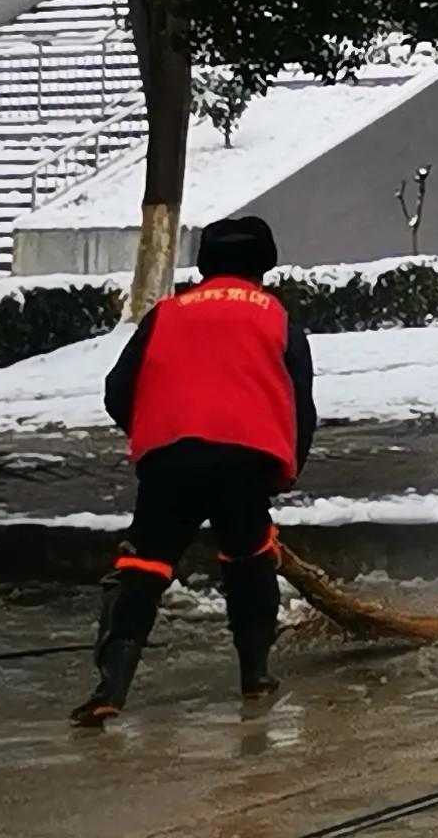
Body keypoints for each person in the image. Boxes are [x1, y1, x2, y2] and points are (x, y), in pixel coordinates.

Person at [79, 211, 316, 723]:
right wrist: (284, 470)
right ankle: (255, 676)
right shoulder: (277, 319)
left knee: (144, 565)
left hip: (170, 460)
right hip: (245, 461)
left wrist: (157, 437)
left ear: (205, 264)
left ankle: (111, 686)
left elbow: (119, 391)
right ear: (264, 266)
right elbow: (301, 407)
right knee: (249, 557)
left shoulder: (166, 314)